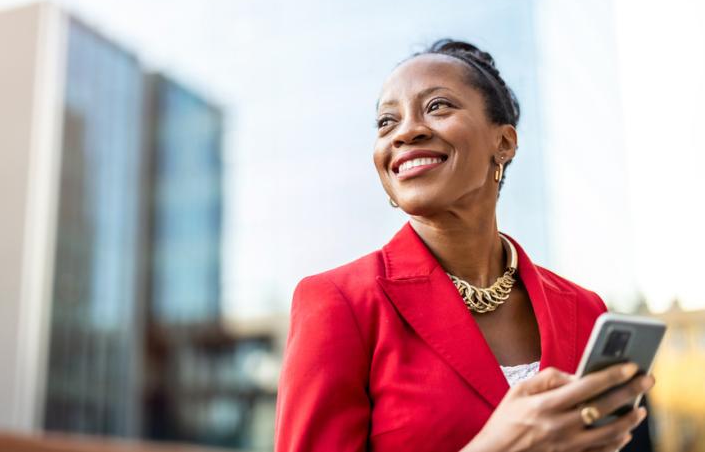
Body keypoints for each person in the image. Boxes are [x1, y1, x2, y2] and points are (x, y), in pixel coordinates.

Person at [273, 40, 655, 452]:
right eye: (387, 121)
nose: (406, 131)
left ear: (504, 144)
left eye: (437, 106)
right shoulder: (339, 303)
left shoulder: (586, 311)